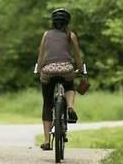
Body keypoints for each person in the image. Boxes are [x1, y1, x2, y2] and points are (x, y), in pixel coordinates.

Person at [37, 8, 83, 151]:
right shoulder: (71, 35)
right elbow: (77, 56)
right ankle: (70, 107)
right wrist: (80, 69)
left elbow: (41, 55)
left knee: (47, 103)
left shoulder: (46, 34)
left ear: (53, 22)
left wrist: (39, 69)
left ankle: (46, 141)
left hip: (48, 70)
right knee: (70, 85)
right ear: (67, 22)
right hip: (66, 69)